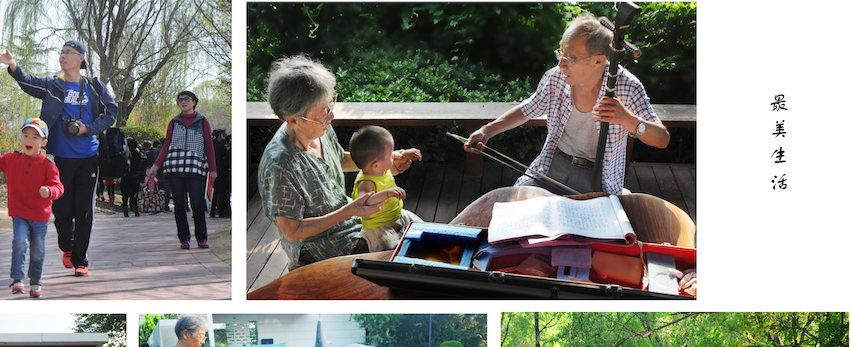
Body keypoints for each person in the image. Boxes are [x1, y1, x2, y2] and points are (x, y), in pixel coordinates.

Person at [464, 14, 670, 195]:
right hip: (554, 163)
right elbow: (528, 109)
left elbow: (662, 139)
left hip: (600, 176)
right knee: (520, 202)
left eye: (570, 58)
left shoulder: (626, 87)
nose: (561, 64)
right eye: (560, 53)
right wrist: (486, 131)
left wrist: (629, 119)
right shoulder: (556, 77)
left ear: (598, 61)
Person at [257, 55, 420, 269]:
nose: (331, 115)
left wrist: (383, 162)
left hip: (351, 218)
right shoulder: (280, 165)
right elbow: (292, 231)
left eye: (329, 105)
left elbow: (339, 159)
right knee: (407, 256)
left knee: (415, 227)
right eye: (324, 112)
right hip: (322, 245)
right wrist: (348, 212)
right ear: (293, 120)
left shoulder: (318, 128)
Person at [0, 40, 119, 277]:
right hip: (59, 158)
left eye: (69, 53)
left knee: (84, 211)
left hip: (88, 157)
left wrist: (89, 128)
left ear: (81, 58)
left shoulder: (95, 86)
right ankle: (68, 247)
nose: (63, 56)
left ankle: (81, 260)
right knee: (61, 211)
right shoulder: (53, 85)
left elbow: (111, 112)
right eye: (61, 52)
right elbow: (28, 82)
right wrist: (13, 65)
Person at [0, 118, 64, 298]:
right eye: (26, 135)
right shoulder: (13, 159)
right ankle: (17, 279)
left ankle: (36, 280)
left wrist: (49, 191)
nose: (29, 139)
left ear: (43, 143)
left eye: (35, 137)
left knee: (38, 250)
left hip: (40, 216)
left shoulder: (48, 165)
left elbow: (59, 187)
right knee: (20, 242)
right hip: (19, 213)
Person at [147, 91, 217, 249]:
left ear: (194, 102)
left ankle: (201, 238)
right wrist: (156, 166)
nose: (183, 102)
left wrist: (213, 169)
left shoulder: (202, 122)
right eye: (180, 100)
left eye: (187, 99)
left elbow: (209, 146)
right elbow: (166, 146)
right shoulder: (174, 122)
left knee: (197, 204)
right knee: (179, 204)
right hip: (175, 168)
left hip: (195, 168)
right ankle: (184, 238)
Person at [348, 126, 423, 252]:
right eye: (390, 155)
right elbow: (365, 201)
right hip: (379, 227)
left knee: (421, 228)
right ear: (376, 165)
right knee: (392, 249)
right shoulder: (365, 182)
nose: (394, 156)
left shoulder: (381, 169)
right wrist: (387, 193)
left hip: (396, 215)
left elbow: (394, 167)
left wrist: (405, 154)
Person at [210, 129, 231, 218]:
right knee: (222, 192)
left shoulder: (210, 146)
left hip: (213, 171)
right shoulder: (221, 146)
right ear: (219, 136)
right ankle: (221, 212)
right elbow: (226, 159)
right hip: (222, 171)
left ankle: (212, 212)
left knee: (215, 192)